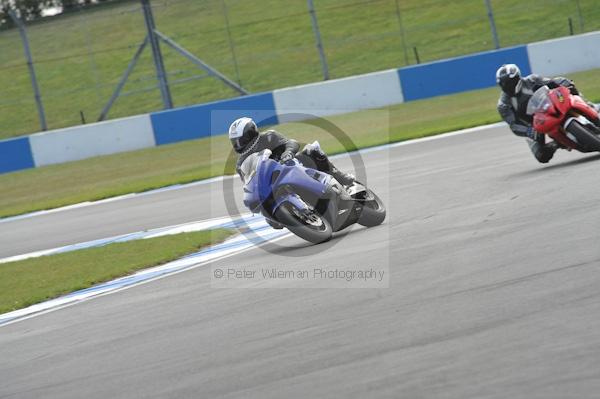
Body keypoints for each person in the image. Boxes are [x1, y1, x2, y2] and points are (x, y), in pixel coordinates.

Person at [496, 63, 599, 164]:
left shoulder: (532, 80)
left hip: (550, 106)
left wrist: (564, 83)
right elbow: (514, 125)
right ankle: (556, 143)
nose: (507, 87)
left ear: (517, 78)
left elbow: (552, 82)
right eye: (504, 84)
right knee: (541, 156)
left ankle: (592, 109)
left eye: (509, 83)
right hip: (534, 125)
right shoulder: (504, 105)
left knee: (572, 94)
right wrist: (528, 131)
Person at [228, 117, 355, 186]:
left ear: (251, 133)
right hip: (273, 182)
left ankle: (339, 176)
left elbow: (291, 143)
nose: (239, 144)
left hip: (292, 165)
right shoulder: (241, 163)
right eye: (236, 141)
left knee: (311, 151)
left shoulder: (269, 136)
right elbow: (248, 184)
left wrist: (288, 153)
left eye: (242, 139)